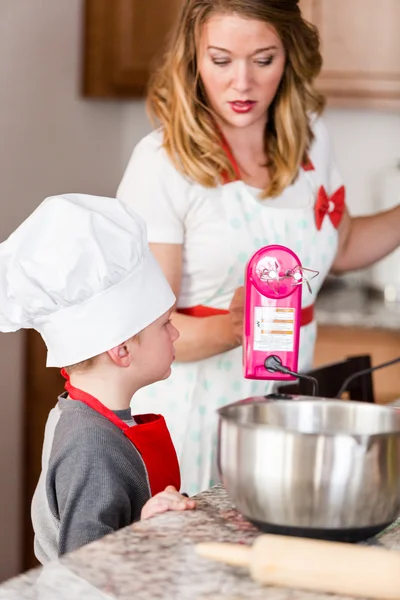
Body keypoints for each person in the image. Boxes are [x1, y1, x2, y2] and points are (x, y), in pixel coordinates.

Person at [117, 0, 400, 496]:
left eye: (263, 60)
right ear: (193, 59)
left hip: (286, 407)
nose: (242, 83)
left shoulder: (311, 140)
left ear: (289, 57)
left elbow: (341, 245)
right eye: (221, 60)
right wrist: (237, 326)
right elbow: (146, 331)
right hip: (195, 414)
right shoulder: (161, 163)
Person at [0, 193, 195, 564]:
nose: (175, 335)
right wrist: (146, 531)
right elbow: (85, 571)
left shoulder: (78, 414)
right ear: (122, 351)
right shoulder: (93, 447)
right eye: (165, 325)